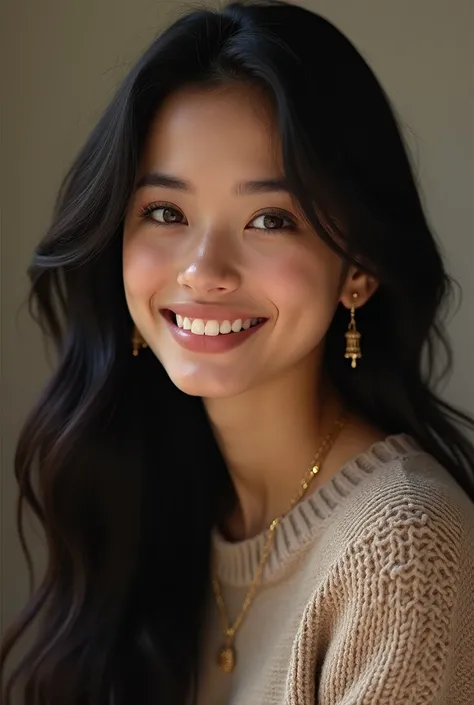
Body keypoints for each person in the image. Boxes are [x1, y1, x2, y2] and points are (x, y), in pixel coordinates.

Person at [1, 1, 473, 703]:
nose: (202, 270)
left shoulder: (403, 550)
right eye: (166, 211)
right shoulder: (161, 497)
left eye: (269, 219)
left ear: (359, 268)